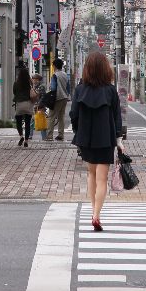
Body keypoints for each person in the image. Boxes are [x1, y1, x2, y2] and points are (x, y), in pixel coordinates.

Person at [70, 51, 123, 231]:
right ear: (105, 69)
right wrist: (119, 139)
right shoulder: (110, 90)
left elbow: (74, 115)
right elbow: (117, 117)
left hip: (86, 137)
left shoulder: (79, 89)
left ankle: (93, 211)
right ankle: (96, 215)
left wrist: (78, 132)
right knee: (102, 179)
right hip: (105, 138)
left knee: (91, 175)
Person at [46, 58, 70, 141]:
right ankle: (61, 135)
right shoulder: (65, 74)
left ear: (54, 66)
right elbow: (68, 87)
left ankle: (49, 136)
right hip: (64, 97)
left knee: (51, 117)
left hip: (57, 98)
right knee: (61, 117)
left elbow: (53, 88)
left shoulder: (55, 75)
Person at [13, 67, 35, 147]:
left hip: (19, 105)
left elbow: (14, 93)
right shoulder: (30, 83)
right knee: (28, 123)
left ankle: (21, 136)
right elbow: (33, 92)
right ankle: (26, 141)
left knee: (18, 122)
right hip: (28, 104)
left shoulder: (16, 83)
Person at [31, 74, 47, 140]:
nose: (34, 81)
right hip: (34, 106)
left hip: (40, 106)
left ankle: (44, 137)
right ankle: (29, 135)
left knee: (41, 121)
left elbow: (43, 97)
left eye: (35, 79)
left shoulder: (41, 87)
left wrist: (39, 105)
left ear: (38, 80)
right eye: (33, 79)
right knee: (32, 121)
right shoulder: (34, 86)